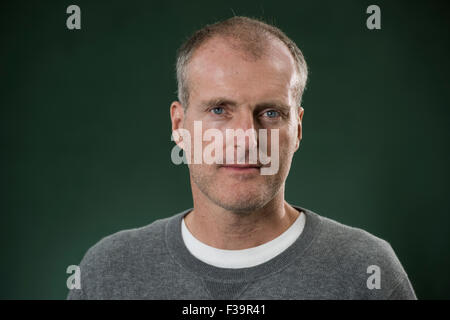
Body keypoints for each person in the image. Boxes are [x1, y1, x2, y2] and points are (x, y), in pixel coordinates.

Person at [67, 16, 416, 300]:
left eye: (271, 113)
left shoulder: (367, 272)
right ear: (179, 124)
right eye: (219, 110)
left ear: (298, 128)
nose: (247, 139)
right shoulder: (108, 273)